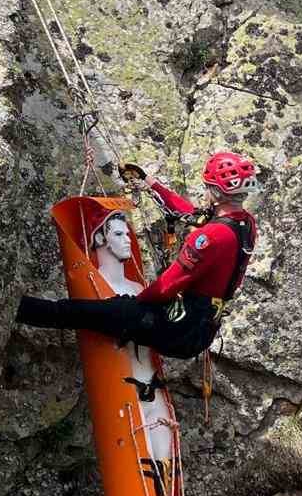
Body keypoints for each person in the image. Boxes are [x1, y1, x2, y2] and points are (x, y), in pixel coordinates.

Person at [17, 151, 260, 356]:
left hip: (181, 329)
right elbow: (192, 214)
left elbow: (166, 287)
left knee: (80, 312)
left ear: (215, 192)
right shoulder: (245, 223)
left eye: (207, 188)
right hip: (201, 328)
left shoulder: (209, 237)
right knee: (118, 310)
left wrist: (130, 310)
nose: (205, 192)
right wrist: (150, 183)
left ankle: (16, 310)